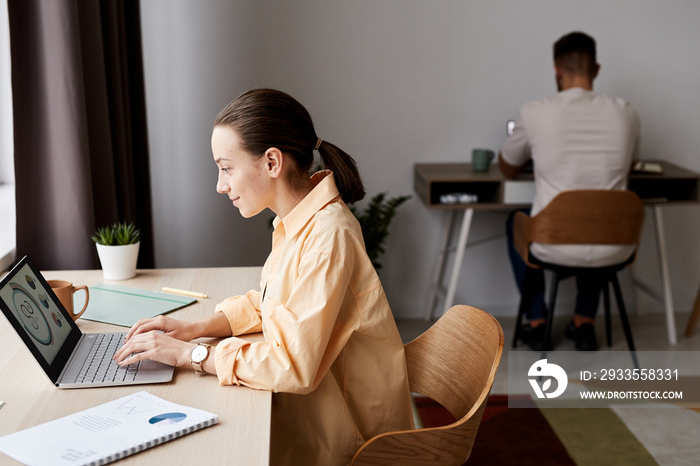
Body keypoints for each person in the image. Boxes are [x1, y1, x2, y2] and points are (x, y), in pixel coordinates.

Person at [114, 88, 414, 464]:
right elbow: (273, 304)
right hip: (316, 411)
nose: (220, 185)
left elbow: (293, 368)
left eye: (226, 168)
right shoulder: (296, 220)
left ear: (272, 162)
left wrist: (193, 354)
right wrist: (195, 328)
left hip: (350, 438)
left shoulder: (327, 237)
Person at [499, 32, 641, 351]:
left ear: (557, 71)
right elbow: (629, 167)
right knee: (597, 218)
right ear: (597, 69)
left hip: (551, 245)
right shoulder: (627, 112)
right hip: (616, 247)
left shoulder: (535, 111)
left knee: (515, 222)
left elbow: (507, 168)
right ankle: (584, 323)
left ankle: (537, 323)